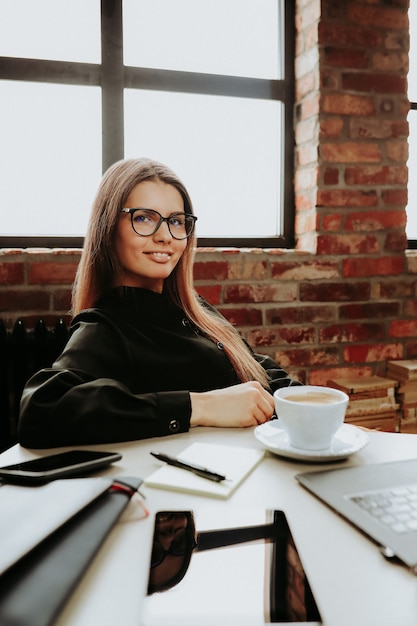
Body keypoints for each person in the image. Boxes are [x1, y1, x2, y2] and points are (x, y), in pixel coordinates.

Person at [18, 158, 300, 448]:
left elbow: (252, 366)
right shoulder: (106, 326)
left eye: (176, 221)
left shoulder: (193, 308)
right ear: (108, 228)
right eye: (143, 218)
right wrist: (199, 407)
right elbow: (40, 411)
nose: (165, 236)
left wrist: (305, 403)